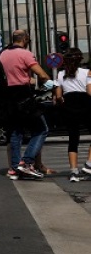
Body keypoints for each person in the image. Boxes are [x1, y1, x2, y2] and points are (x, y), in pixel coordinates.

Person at [0, 30, 52, 180]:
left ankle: (14, 169)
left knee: (16, 133)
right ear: (25, 39)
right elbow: (41, 75)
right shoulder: (25, 53)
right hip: (24, 96)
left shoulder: (2, 55)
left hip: (8, 98)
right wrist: (50, 83)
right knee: (41, 129)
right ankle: (26, 162)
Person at [53, 47, 91, 182]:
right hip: (85, 104)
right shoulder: (87, 72)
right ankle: (88, 165)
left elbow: (58, 96)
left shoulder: (60, 74)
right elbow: (89, 91)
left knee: (73, 139)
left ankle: (74, 172)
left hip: (69, 106)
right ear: (80, 59)